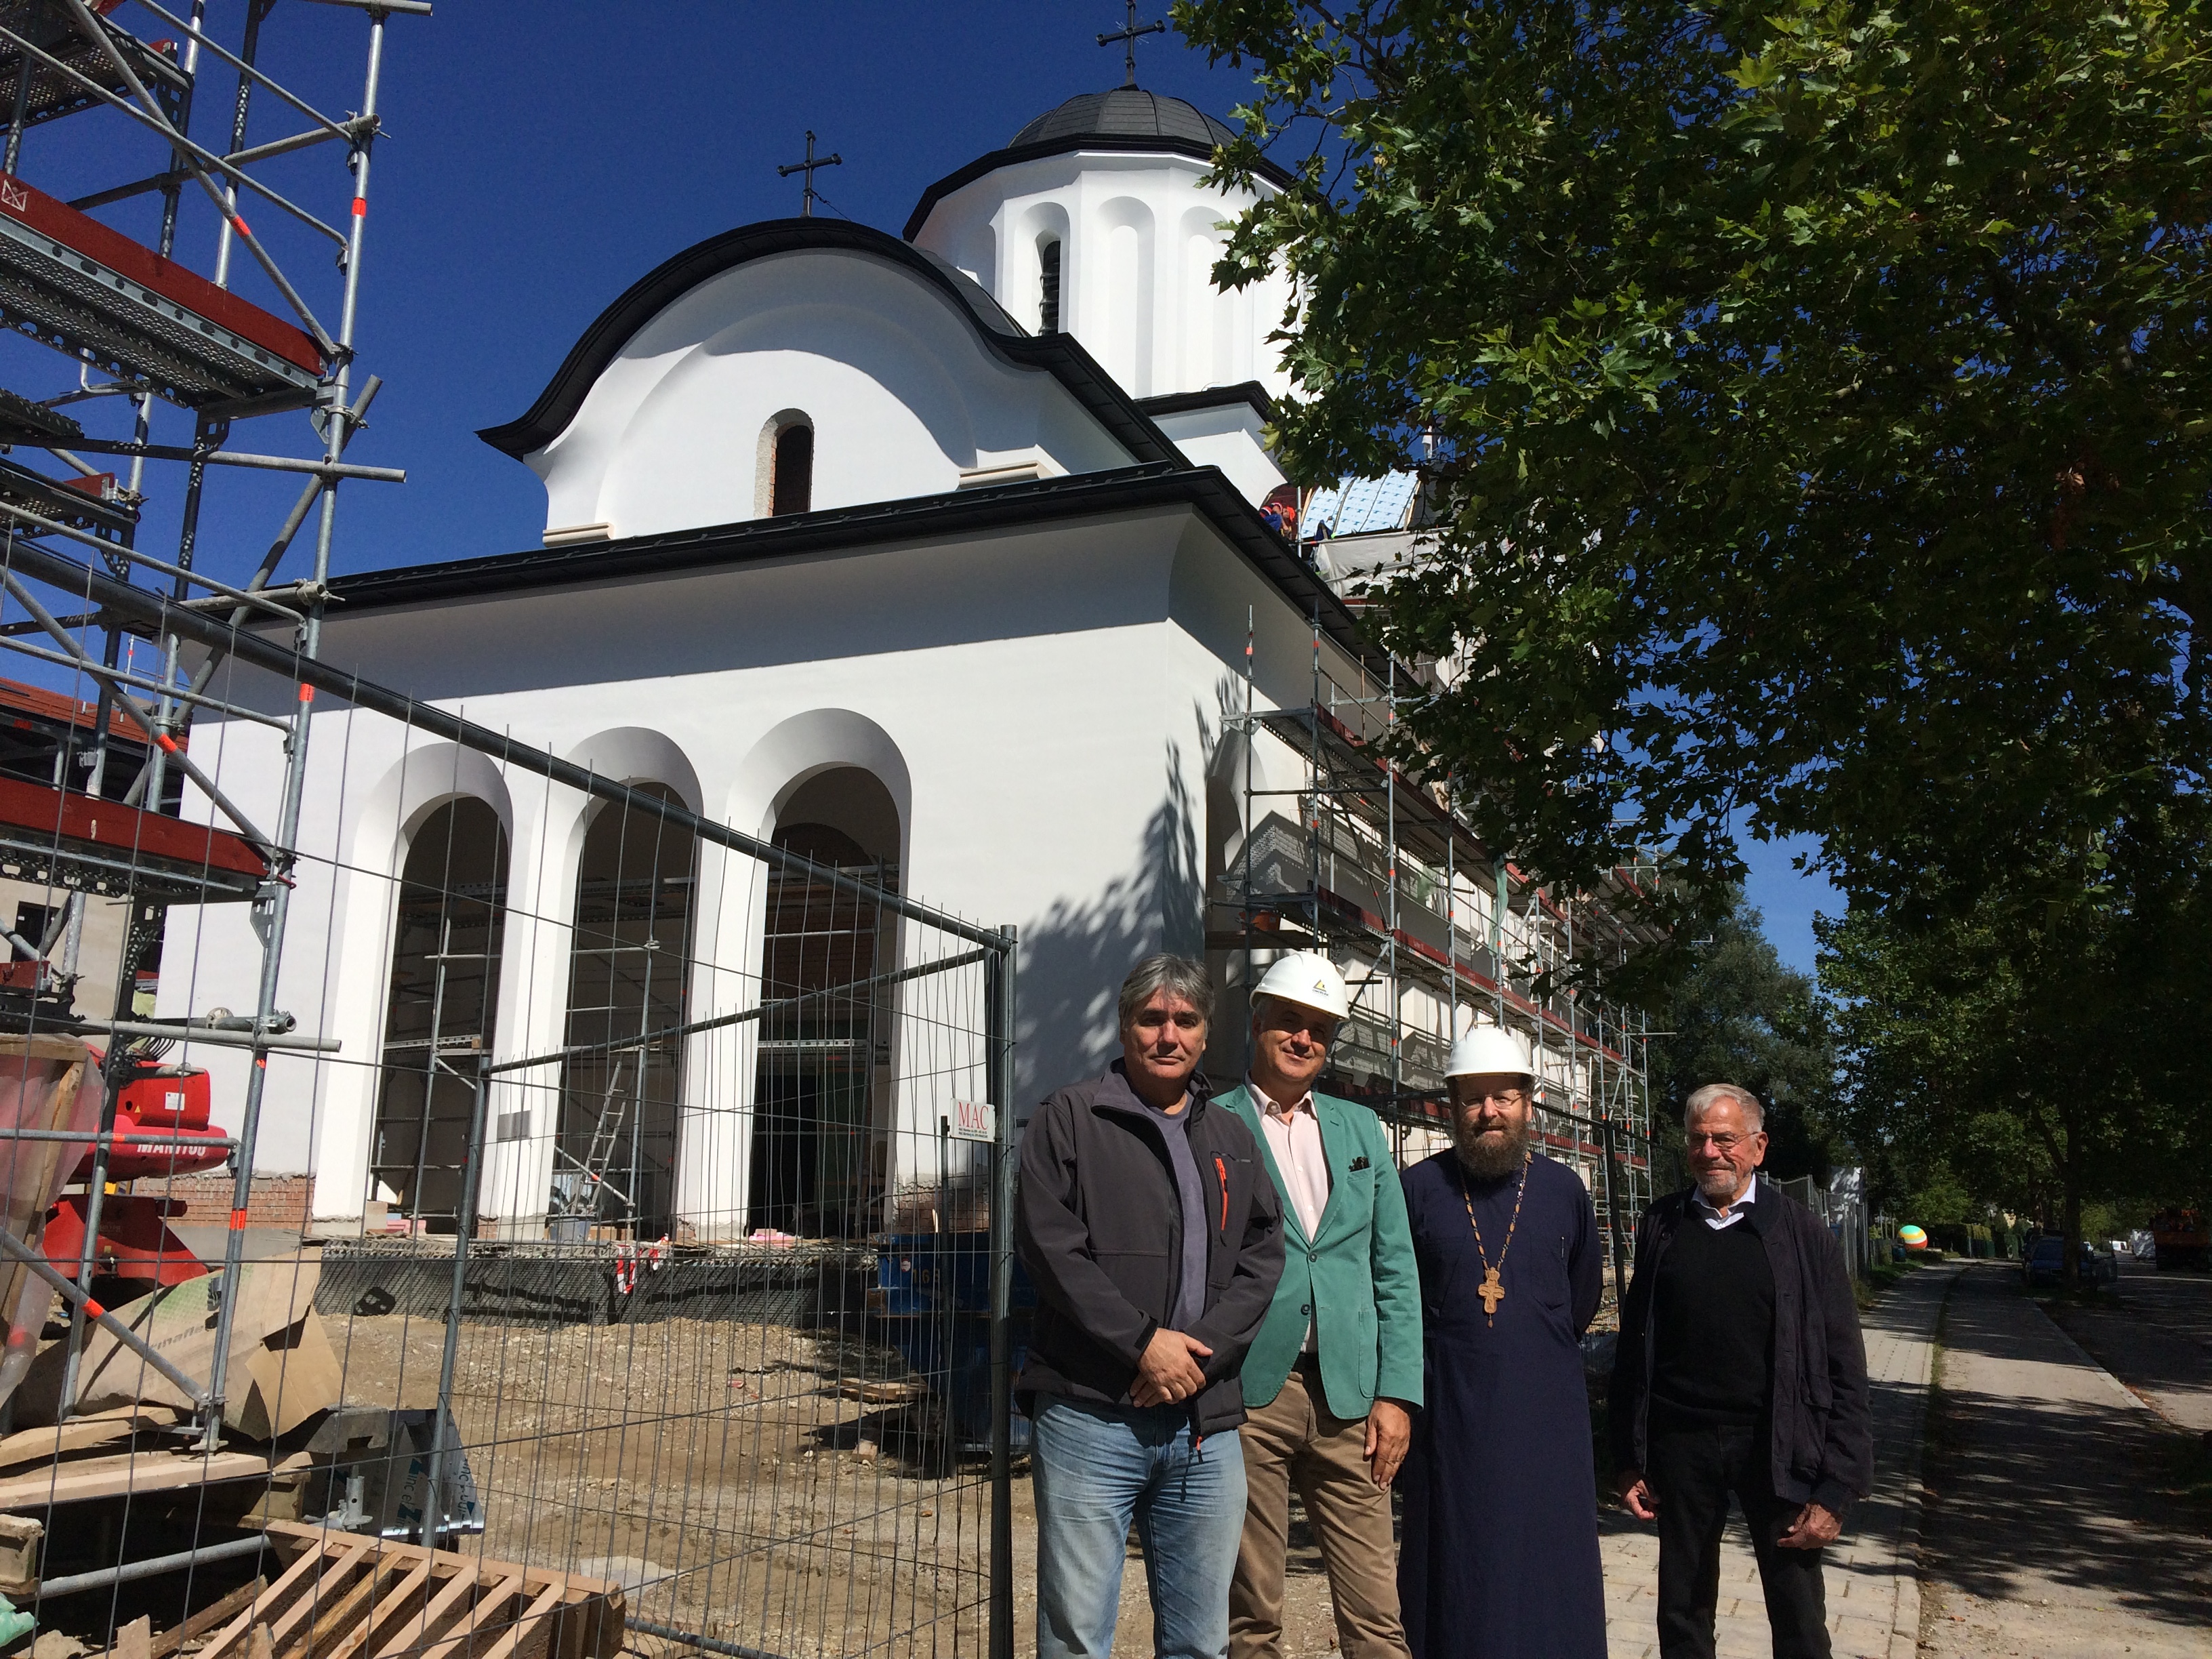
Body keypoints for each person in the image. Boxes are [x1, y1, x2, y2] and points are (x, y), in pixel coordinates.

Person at [1015, 953, 1286, 1659]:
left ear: (1205, 1033)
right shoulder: (1070, 1119)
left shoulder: (1232, 1138)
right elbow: (1051, 1251)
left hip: (1203, 1426)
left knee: (1202, 1642)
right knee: (1077, 1639)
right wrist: (1144, 1344)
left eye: (1186, 1020)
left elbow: (1263, 1259)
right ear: (1124, 1025)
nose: (1169, 1035)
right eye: (1152, 1019)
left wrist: (1195, 1357)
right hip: (1089, 1414)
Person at [1609, 1083, 1872, 1659]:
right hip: (1682, 1443)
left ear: (1758, 1146)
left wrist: (1837, 1489)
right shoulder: (1663, 1224)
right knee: (1682, 1609)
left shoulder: (1801, 1233)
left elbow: (1845, 1367)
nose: (1710, 1152)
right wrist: (1627, 1458)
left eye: (1724, 1139)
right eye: (1698, 1139)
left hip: (1776, 1442)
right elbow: (1634, 1348)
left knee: (1798, 1611)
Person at [1219, 953, 1422, 1659]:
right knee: (1251, 1615)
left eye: (1319, 1030)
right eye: (1290, 1022)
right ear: (1258, 1023)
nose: (1304, 1039)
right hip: (1253, 1395)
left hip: (1352, 1401)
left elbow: (1395, 1268)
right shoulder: (1213, 1123)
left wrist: (1397, 1394)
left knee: (1377, 1616)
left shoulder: (1360, 1129)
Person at [1397, 1023, 1606, 1659]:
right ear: (1451, 1106)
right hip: (1453, 1422)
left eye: (1504, 1097)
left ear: (1528, 1104)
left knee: (1549, 1571)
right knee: (1458, 1572)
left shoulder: (1564, 1190)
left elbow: (1581, 1299)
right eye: (1473, 1098)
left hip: (1548, 1420)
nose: (1489, 1111)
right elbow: (1399, 1300)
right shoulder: (1419, 1188)